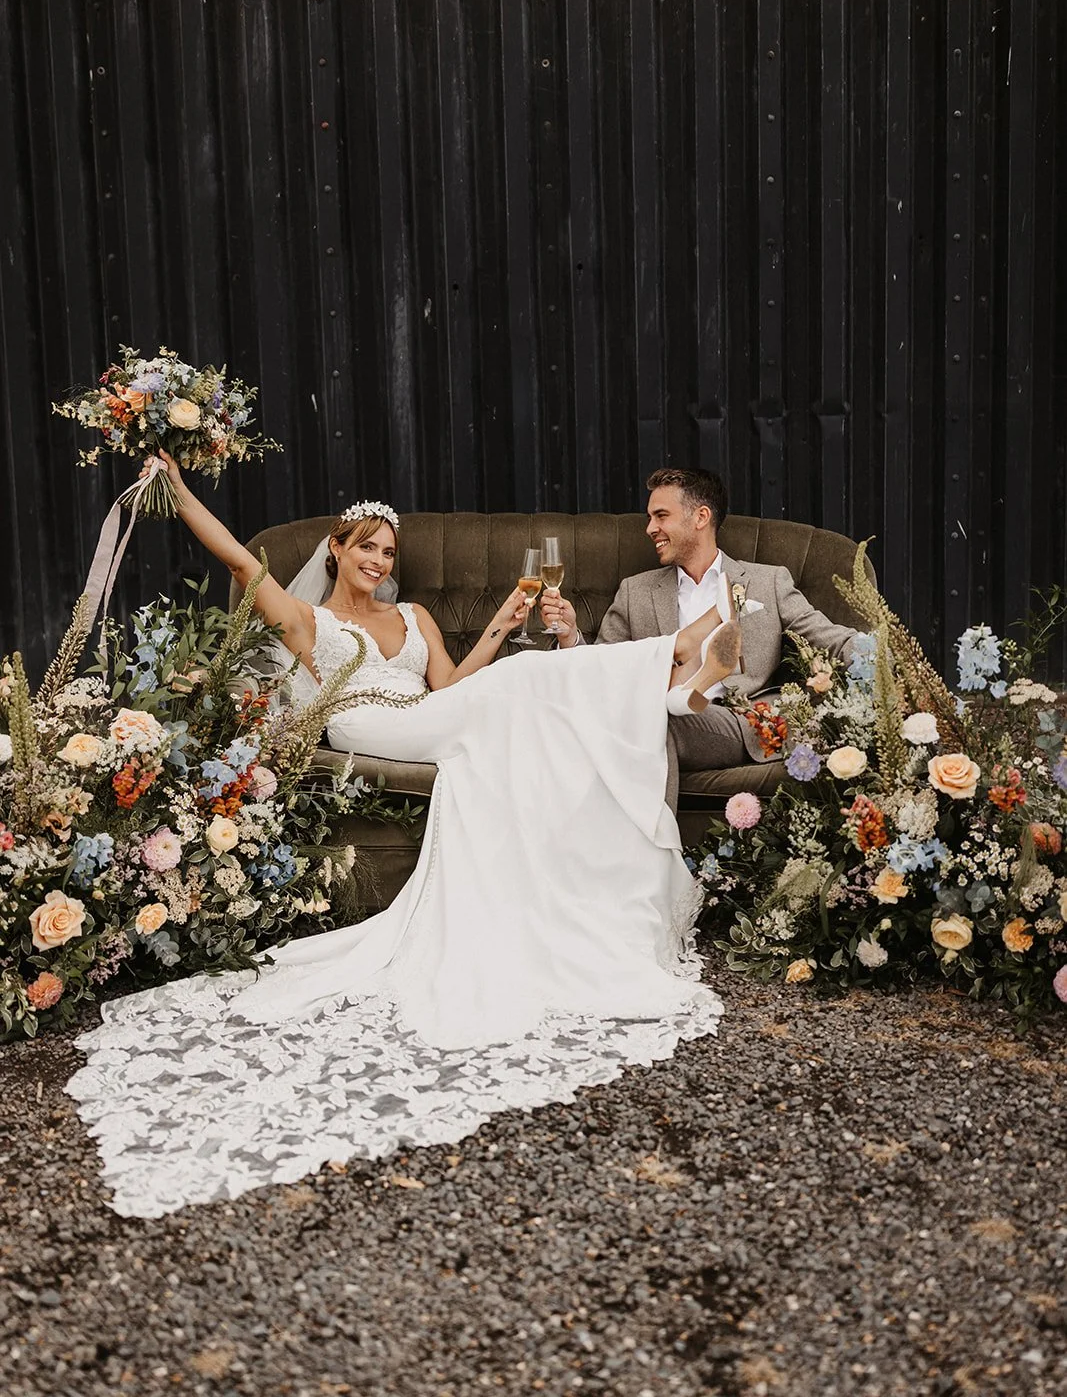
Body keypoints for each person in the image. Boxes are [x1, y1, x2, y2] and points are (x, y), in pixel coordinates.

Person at [67, 454, 742, 1218]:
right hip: (367, 721)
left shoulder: (415, 616)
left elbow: (452, 689)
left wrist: (496, 629)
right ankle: (672, 666)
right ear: (336, 548)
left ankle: (673, 675)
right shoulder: (306, 620)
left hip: (429, 716)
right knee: (521, 688)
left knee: (516, 684)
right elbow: (233, 555)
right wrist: (181, 492)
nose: (380, 562)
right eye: (366, 548)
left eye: (388, 552)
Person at [541, 467, 857, 796]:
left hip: (738, 718)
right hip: (655, 708)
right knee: (636, 715)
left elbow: (832, 638)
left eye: (661, 516)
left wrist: (883, 659)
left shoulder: (768, 582)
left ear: (701, 517)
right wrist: (570, 637)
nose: (650, 528)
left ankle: (654, 845)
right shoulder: (636, 591)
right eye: (650, 518)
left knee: (655, 720)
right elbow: (601, 670)